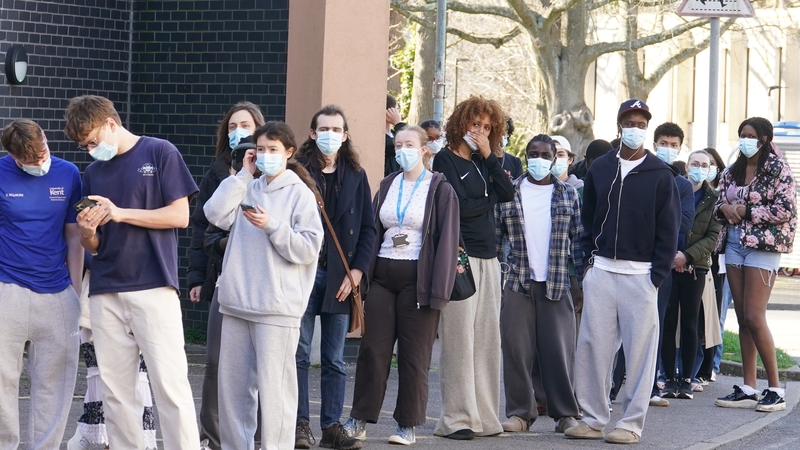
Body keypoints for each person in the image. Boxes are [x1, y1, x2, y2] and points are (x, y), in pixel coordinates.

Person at [66, 95, 200, 449]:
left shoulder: (160, 152)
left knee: (170, 387)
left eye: (93, 141)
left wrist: (121, 212)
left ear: (111, 123)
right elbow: (94, 245)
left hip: (154, 285)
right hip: (106, 287)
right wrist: (87, 232)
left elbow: (180, 216)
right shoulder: (93, 172)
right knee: (116, 393)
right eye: (84, 146)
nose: (91, 150)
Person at [204, 121, 324, 449]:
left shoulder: (300, 194)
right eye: (261, 149)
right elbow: (213, 213)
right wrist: (242, 175)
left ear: (289, 152)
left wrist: (272, 226)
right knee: (233, 392)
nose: (266, 156)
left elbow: (309, 247)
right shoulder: (248, 186)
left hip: (277, 307)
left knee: (276, 393)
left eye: (274, 150)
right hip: (237, 302)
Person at [566, 99, 680, 444]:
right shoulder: (600, 168)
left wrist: (655, 276)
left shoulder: (661, 173)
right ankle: (593, 418)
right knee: (592, 349)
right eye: (629, 121)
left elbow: (669, 230)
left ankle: (630, 423)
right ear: (619, 125)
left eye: (641, 123)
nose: (635, 127)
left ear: (647, 127)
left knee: (640, 353)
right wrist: (585, 264)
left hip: (640, 275)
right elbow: (587, 221)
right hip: (600, 270)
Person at [343, 126, 460, 446]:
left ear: (424, 149)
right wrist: (362, 276)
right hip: (382, 277)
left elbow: (447, 243)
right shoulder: (387, 184)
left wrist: (439, 291)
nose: (402, 150)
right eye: (398, 145)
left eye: (409, 144)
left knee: (414, 356)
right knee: (372, 351)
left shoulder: (440, 189)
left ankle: (407, 425)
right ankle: (359, 419)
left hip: (417, 282)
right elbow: (372, 229)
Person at [293, 105, 376, 450]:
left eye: (336, 129)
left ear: (345, 135)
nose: (329, 135)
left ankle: (331, 425)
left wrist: (356, 272)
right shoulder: (296, 172)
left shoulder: (356, 174)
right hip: (301, 273)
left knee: (334, 358)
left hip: (341, 278)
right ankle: (299, 425)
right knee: (297, 354)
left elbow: (369, 228)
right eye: (322, 129)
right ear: (312, 133)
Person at [432, 96, 514, 440]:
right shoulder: (444, 159)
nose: (479, 132)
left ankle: (485, 416)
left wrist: (491, 158)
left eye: (486, 127)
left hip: (489, 258)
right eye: (474, 124)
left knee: (485, 341)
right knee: (458, 340)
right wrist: (491, 198)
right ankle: (457, 418)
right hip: (458, 257)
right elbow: (458, 209)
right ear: (460, 123)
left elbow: (508, 191)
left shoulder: (484, 162)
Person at [0, 119, 82, 449]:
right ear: (13, 155)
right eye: (29, 160)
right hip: (8, 289)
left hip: (58, 292)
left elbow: (74, 234)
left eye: (42, 153)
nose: (39, 163)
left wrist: (75, 291)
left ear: (45, 139)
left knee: (55, 384)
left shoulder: (68, 173)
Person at [496, 134, 584, 434]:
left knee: (559, 352)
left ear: (555, 158)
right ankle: (520, 413)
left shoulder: (568, 194)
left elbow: (579, 242)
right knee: (516, 350)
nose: (539, 160)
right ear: (525, 156)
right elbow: (497, 240)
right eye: (533, 154)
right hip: (518, 282)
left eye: (546, 155)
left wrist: (580, 283)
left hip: (557, 283)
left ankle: (565, 414)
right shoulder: (510, 192)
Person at [191, 101, 266, 450]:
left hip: (266, 283)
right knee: (216, 361)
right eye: (234, 125)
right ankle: (212, 435)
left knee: (262, 368)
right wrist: (196, 276)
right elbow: (203, 227)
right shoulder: (217, 172)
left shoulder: (278, 174)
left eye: (247, 125)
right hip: (224, 276)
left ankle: (264, 435)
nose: (240, 131)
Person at [714, 117, 796, 412]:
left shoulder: (778, 169)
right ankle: (749, 387)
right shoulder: (731, 170)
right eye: (742, 134)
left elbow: (785, 209)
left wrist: (745, 210)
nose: (745, 140)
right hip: (734, 244)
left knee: (754, 315)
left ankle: (775, 388)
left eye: (751, 135)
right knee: (742, 318)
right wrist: (723, 208)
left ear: (764, 138)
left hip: (763, 247)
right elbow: (717, 204)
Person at [68, 260, 158, 450]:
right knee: (102, 373)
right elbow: (84, 248)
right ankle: (96, 431)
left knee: (134, 374)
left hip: (139, 290)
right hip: (99, 291)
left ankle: (126, 436)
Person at [660, 150, 721, 400]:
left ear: (709, 169)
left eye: (704, 165)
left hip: (696, 268)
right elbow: (665, 222)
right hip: (669, 264)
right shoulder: (673, 189)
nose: (699, 168)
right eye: (694, 163)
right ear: (686, 166)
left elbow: (713, 237)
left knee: (690, 324)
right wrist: (673, 255)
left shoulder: (713, 198)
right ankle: (669, 378)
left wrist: (686, 256)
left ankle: (687, 378)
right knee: (668, 321)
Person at [648, 122, 695, 407]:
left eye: (673, 144)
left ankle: (652, 384)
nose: (668, 148)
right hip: (634, 259)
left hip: (661, 264)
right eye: (663, 142)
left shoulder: (682, 184)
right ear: (655, 143)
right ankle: (614, 385)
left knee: (656, 323)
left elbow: (685, 224)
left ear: (680, 148)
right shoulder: (644, 173)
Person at [384, 95, 407, 176]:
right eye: (397, 109)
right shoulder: (383, 139)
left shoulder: (394, 134)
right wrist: (398, 123)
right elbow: (407, 141)